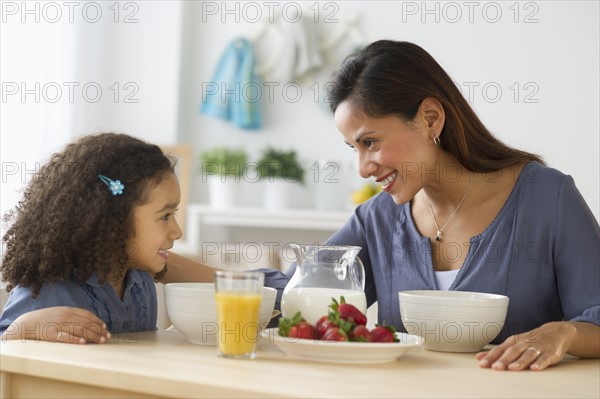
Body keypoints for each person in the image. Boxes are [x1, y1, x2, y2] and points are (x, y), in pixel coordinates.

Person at [260, 40, 600, 371]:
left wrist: (564, 333)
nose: (363, 168)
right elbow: (291, 292)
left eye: (371, 142)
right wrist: (211, 276)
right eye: (354, 148)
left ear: (431, 119)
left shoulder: (548, 198)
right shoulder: (376, 218)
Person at [0, 133, 216, 343]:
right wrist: (22, 328)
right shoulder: (50, 290)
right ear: (115, 220)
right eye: (165, 216)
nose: (177, 231)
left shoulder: (141, 282)